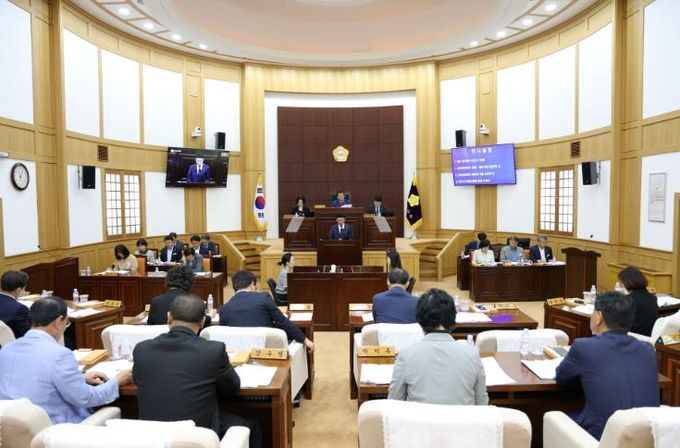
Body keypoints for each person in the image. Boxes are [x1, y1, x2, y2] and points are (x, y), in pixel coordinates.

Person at [133, 294, 261, 447]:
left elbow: (137, 379)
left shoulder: (141, 349)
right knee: (253, 426)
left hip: (151, 437)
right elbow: (232, 387)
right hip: (197, 436)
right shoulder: (213, 350)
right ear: (202, 322)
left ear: (169, 317)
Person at [0, 297, 133, 423]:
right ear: (58, 322)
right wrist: (116, 381)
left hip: (13, 428)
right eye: (67, 323)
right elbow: (86, 398)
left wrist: (80, 377)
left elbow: (32, 377)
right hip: (57, 428)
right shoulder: (59, 355)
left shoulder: (6, 349)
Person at [556, 291, 660, 440]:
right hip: (646, 438)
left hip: (600, 438)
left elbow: (562, 378)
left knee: (552, 416)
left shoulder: (583, 347)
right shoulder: (647, 349)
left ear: (599, 317)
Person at [388, 289, 488, 405]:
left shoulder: (406, 353)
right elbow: (482, 403)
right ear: (453, 318)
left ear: (420, 320)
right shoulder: (472, 353)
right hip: (462, 417)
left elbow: (394, 402)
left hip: (419, 417)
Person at [218, 271, 314, 353]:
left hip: (240, 354)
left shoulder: (224, 309)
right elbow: (282, 321)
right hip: (267, 351)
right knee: (301, 331)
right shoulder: (263, 297)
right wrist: (305, 340)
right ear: (252, 284)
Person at [618, 266, 658, 336]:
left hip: (631, 338)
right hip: (648, 337)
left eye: (623, 283)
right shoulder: (653, 298)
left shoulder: (628, 300)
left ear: (628, 283)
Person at [0, 271, 30, 338]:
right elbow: (28, 334)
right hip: (12, 342)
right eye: (24, 288)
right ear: (18, 290)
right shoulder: (20, 309)